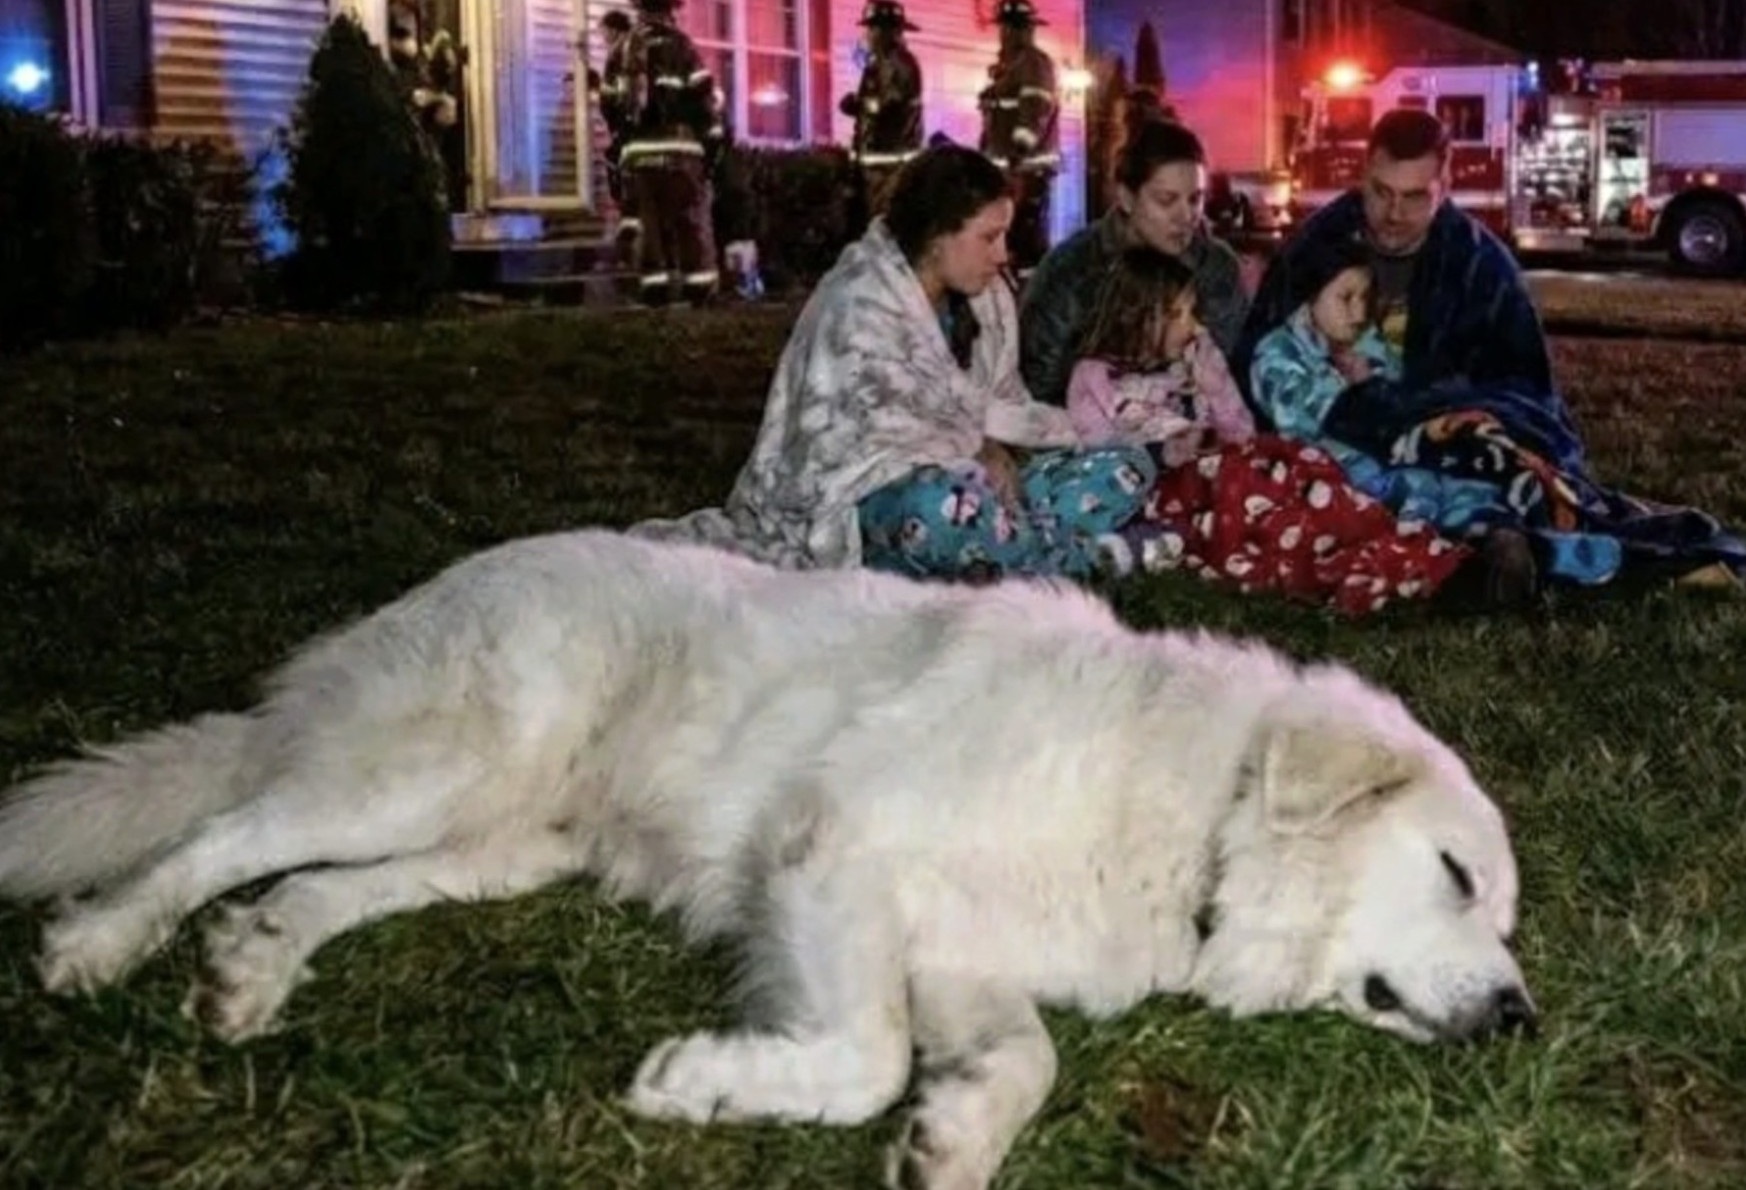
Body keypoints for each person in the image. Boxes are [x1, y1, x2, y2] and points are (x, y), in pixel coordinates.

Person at [1236, 107, 1746, 586]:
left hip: (1450, 436)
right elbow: (1262, 364)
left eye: (1414, 196)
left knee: (1522, 476)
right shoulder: (1316, 250)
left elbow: (1527, 391)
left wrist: (1444, 418)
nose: (1393, 213)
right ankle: (1517, 548)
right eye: (1380, 191)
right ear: (1363, 175)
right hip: (1350, 452)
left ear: (1446, 186)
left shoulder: (1481, 266)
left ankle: (1564, 542)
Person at [631, 145, 1153, 581]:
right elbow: (861, 436)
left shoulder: (988, 301)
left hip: (974, 489)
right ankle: (1075, 557)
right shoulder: (858, 303)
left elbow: (1002, 404)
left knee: (1128, 464)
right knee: (935, 508)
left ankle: (1007, 547)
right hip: (866, 503)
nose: (1002, 255)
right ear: (937, 234)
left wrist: (1104, 430)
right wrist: (975, 449)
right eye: (989, 238)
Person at [1074, 245, 1479, 614]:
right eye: (1180, 315)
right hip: (1170, 491)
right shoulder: (1094, 377)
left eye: (1193, 312)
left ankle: (1428, 558)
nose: (1194, 327)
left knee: (1302, 471)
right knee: (1272, 510)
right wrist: (1165, 451)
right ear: (1139, 318)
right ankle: (1391, 573)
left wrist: (1212, 385)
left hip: (1227, 467)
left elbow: (1241, 431)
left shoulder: (1198, 357)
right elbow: (1099, 457)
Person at [1020, 118, 1247, 408]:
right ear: (1126, 197)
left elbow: (1231, 376)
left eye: (1195, 199)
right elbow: (1038, 385)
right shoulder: (1071, 269)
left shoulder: (1215, 267)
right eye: (1166, 200)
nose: (1186, 216)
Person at [619, 0, 723, 306]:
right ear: (669, 11)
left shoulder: (623, 49)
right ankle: (699, 291)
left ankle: (655, 292)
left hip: (639, 155)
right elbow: (703, 97)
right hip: (680, 152)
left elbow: (611, 105)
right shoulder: (682, 47)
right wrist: (711, 144)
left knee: (649, 226)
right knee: (690, 223)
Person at [977, 0, 1059, 276]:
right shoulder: (1008, 67)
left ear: (1027, 30)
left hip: (1026, 171)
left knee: (1026, 243)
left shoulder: (1033, 63)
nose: (1007, 34)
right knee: (1009, 240)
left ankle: (1031, 299)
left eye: (1014, 28)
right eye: (1005, 27)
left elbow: (1034, 110)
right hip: (1008, 172)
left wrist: (1018, 153)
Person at [841, 0, 924, 218]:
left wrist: (859, 106)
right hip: (875, 167)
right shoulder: (878, 65)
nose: (868, 34)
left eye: (872, 28)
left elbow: (891, 106)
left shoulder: (899, 64)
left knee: (886, 229)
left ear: (887, 31)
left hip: (890, 169)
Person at [588, 10, 635, 208]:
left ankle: (628, 211)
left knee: (619, 167)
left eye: (604, 32)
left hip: (628, 128)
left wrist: (599, 86)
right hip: (623, 128)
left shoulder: (623, 53)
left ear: (614, 30)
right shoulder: (624, 50)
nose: (602, 38)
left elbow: (623, 93)